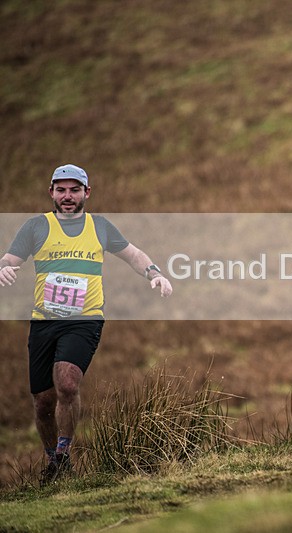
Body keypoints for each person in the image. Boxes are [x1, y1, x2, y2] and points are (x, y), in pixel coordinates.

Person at [0, 164, 173, 486]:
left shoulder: (100, 227)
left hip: (85, 319)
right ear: (51, 192)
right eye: (62, 190)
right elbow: (11, 260)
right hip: (44, 321)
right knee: (43, 401)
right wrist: (2, 268)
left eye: (74, 190)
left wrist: (156, 273)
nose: (68, 196)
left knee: (67, 383)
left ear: (86, 193)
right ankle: (54, 463)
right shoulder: (36, 227)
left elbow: (134, 255)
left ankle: (64, 453)